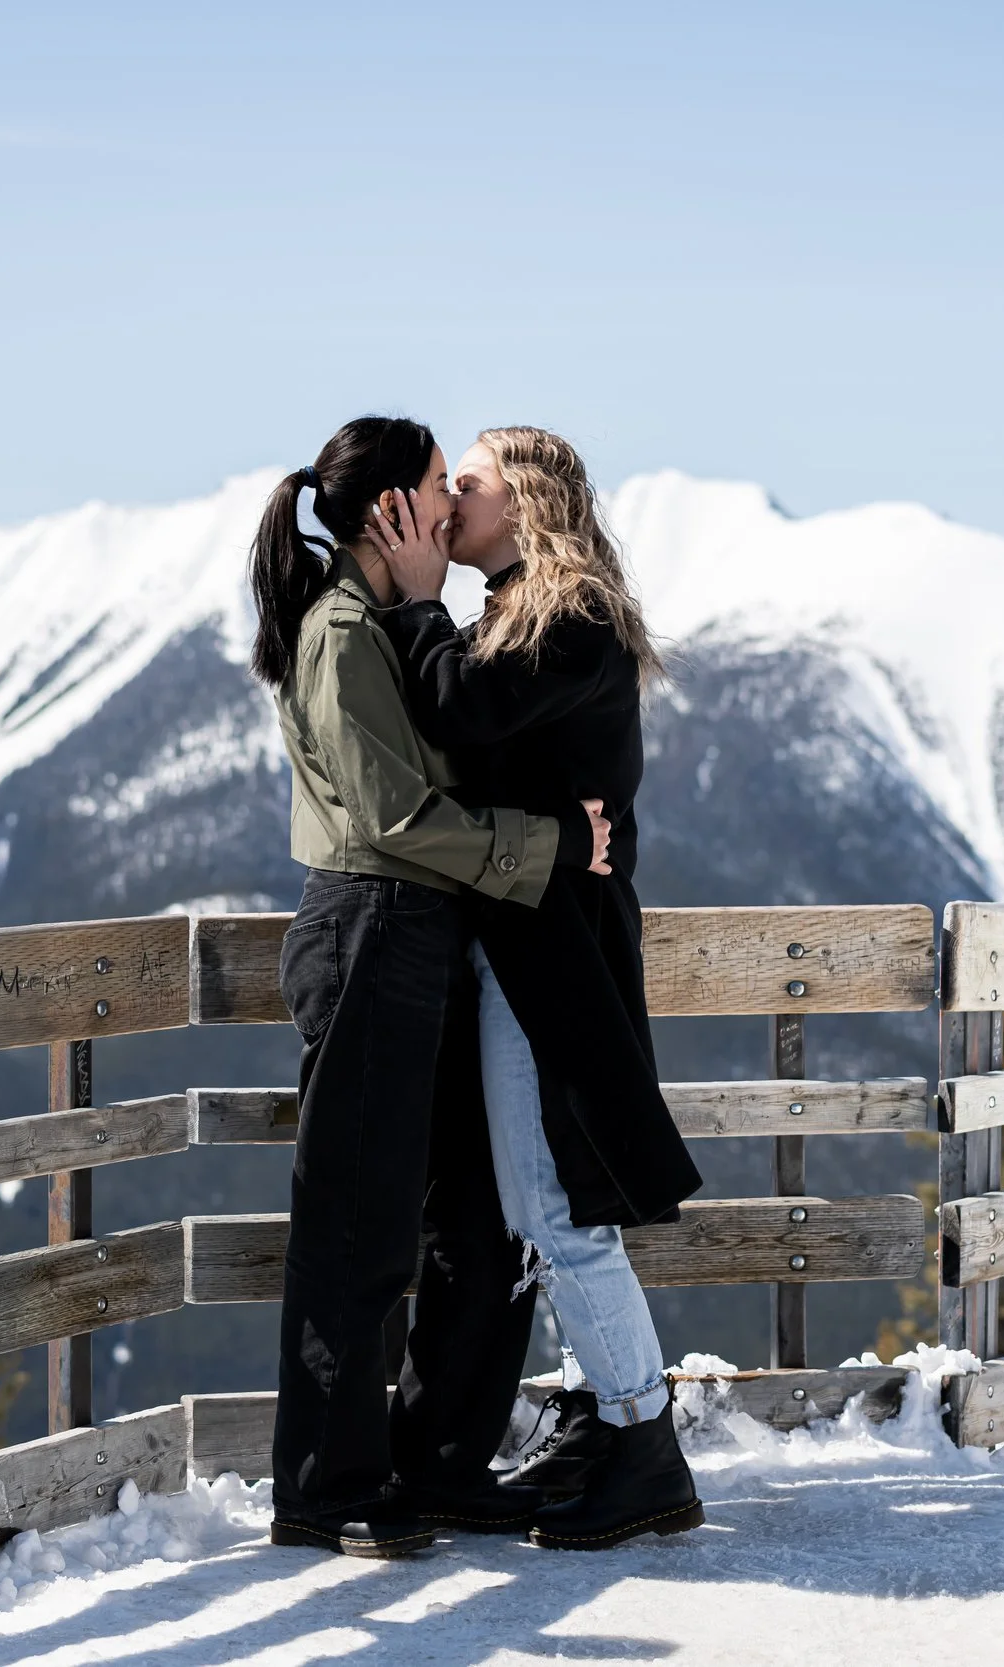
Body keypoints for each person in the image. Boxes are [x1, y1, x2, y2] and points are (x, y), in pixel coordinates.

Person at [248, 415, 614, 1558]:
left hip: (430, 936)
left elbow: (460, 737)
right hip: (372, 929)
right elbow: (393, 816)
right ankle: (326, 1484)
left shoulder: (404, 624)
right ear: (391, 514)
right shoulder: (342, 632)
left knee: (475, 1216)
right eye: (432, 489)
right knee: (360, 1225)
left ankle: (445, 1460)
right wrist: (550, 843)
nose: (451, 508)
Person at [366, 424, 706, 1550]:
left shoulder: (570, 613)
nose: (447, 497)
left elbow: (459, 711)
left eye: (466, 481)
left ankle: (643, 1440)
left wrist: (412, 596)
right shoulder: (523, 606)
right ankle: (611, 1422)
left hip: (550, 951)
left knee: (557, 1209)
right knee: (539, 1199)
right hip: (527, 941)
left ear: (525, 500)